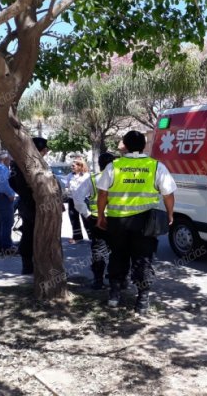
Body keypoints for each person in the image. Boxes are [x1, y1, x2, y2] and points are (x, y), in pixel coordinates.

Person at [96, 130, 176, 315]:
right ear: (143, 145)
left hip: (117, 221)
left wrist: (101, 216)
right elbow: (168, 194)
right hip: (145, 223)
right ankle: (142, 299)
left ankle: (114, 295)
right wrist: (170, 214)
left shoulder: (113, 166)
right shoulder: (155, 166)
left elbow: (102, 194)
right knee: (143, 259)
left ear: (125, 144)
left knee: (118, 255)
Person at [73, 153, 116, 289]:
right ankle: (118, 281)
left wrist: (86, 214)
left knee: (98, 250)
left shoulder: (94, 179)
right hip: (118, 220)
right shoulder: (121, 178)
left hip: (98, 219)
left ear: (100, 164)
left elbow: (77, 197)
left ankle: (98, 281)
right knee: (119, 250)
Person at [9, 137, 49, 275]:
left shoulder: (19, 162)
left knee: (28, 233)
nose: (46, 152)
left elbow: (11, 181)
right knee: (34, 234)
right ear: (42, 150)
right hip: (34, 204)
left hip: (27, 204)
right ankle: (31, 264)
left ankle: (29, 265)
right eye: (45, 149)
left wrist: (23, 194)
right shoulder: (33, 163)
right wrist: (27, 194)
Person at [66, 160, 90, 244]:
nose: (72, 167)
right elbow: (67, 187)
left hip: (83, 200)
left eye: (74, 166)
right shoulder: (69, 176)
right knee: (73, 218)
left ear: (80, 166)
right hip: (72, 200)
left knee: (86, 218)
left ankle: (92, 236)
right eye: (71, 166)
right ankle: (77, 237)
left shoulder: (86, 176)